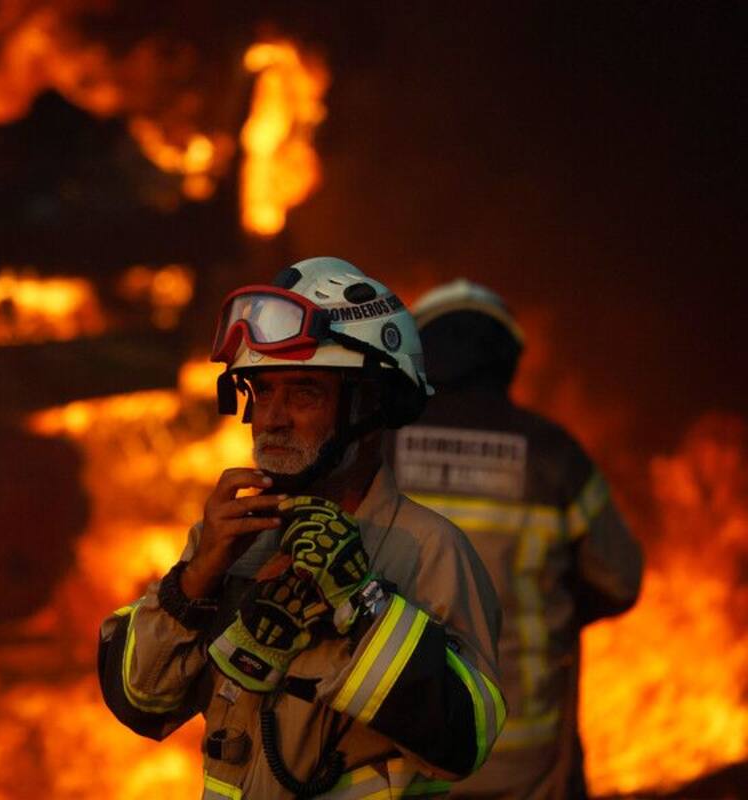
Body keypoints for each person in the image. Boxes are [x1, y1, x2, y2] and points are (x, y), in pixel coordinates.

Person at [98, 257, 506, 799]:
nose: (270, 418)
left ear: (369, 402)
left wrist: (361, 607)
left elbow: (463, 743)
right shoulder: (233, 541)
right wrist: (195, 581)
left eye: (303, 392)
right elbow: (139, 702)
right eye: (261, 391)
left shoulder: (431, 551)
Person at [388, 279, 643, 799]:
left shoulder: (375, 448)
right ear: (507, 360)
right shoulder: (554, 456)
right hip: (524, 761)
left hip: (399, 755)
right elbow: (620, 580)